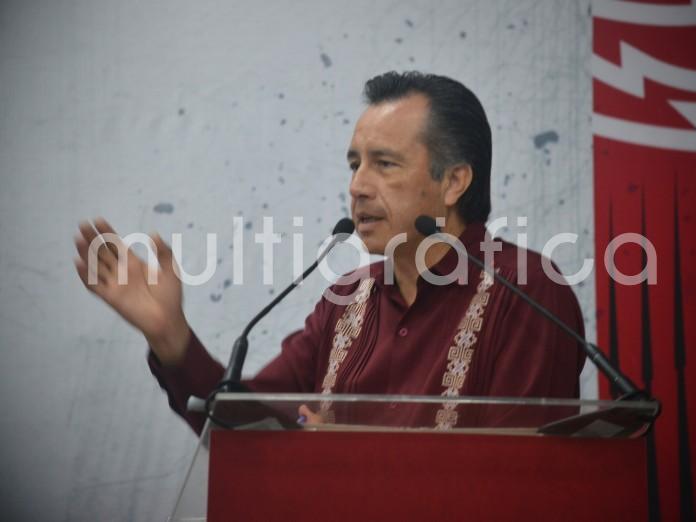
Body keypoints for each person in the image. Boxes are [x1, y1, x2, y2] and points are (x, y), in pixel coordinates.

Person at [74, 71, 586, 434]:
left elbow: (517, 482)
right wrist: (172, 340)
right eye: (354, 164)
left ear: (453, 181)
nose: (358, 186)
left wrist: (344, 459)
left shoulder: (528, 292)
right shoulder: (346, 299)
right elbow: (245, 426)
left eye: (384, 164)